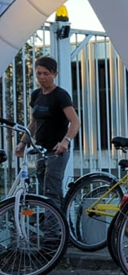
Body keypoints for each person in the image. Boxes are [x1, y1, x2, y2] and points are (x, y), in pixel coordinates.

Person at [16, 55, 80, 210]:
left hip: (56, 151)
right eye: (39, 73)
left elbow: (75, 122)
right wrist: (22, 143)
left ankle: (53, 226)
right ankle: (62, 222)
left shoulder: (60, 95)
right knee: (46, 192)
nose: (42, 77)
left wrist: (65, 141)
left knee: (52, 192)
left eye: (46, 73)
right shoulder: (36, 95)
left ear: (55, 74)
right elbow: (33, 123)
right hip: (41, 149)